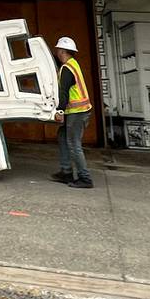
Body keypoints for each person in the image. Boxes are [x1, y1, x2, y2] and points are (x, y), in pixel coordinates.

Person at [50, 36, 93, 189]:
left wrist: (59, 111)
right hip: (79, 111)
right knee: (62, 136)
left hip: (77, 112)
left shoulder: (67, 69)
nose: (57, 53)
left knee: (74, 144)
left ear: (62, 51)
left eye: (58, 51)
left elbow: (63, 92)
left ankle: (85, 178)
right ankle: (66, 171)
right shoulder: (73, 64)